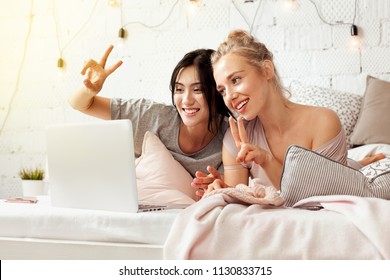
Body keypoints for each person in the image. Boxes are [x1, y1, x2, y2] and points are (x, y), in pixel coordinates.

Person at [192, 29, 385, 195]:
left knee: (351, 170)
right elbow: (238, 198)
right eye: (222, 90)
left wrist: (267, 161)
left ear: (267, 70)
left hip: (337, 179)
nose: (229, 96)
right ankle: (357, 162)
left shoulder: (322, 122)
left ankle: (359, 163)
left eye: (235, 80)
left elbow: (319, 198)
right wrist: (222, 188)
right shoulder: (236, 138)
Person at [68, 45, 231, 177]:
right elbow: (81, 104)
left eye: (198, 90)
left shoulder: (230, 136)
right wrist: (90, 90)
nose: (186, 100)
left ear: (218, 92)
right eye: (179, 90)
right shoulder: (153, 116)